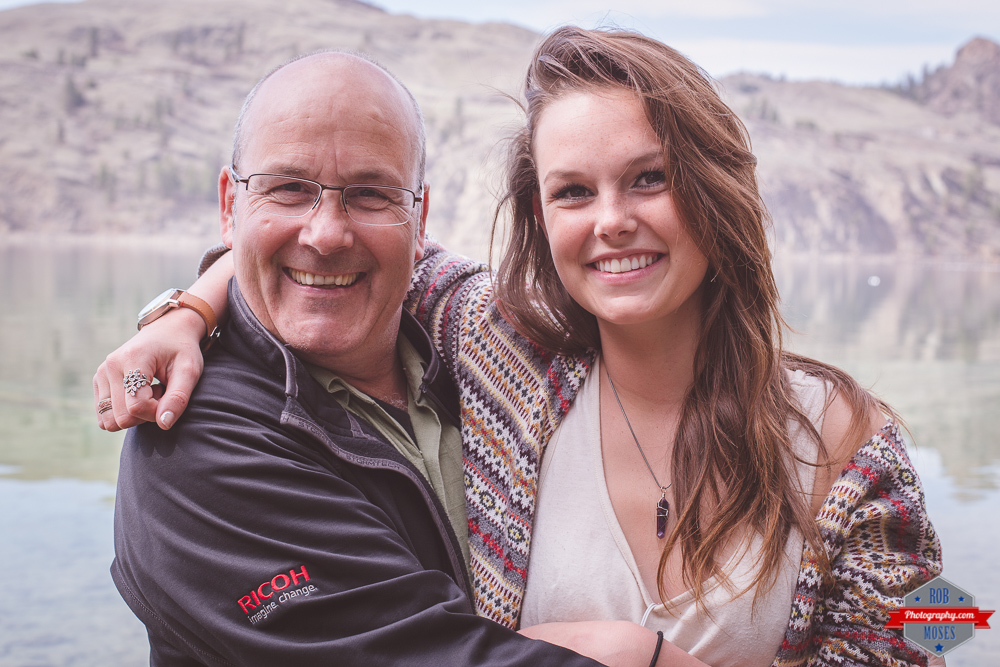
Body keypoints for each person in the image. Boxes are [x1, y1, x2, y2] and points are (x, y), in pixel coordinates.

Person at [97, 29, 942, 666]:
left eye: (649, 177)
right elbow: (315, 250)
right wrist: (187, 307)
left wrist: (180, 306)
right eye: (574, 191)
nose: (612, 219)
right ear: (543, 220)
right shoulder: (508, 359)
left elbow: (947, 623)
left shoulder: (843, 432)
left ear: (715, 192)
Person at [99, 49, 678, 666]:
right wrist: (638, 653)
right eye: (288, 188)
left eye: (370, 194)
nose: (325, 234)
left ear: (418, 215)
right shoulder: (194, 442)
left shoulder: (482, 344)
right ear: (229, 205)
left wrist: (191, 305)